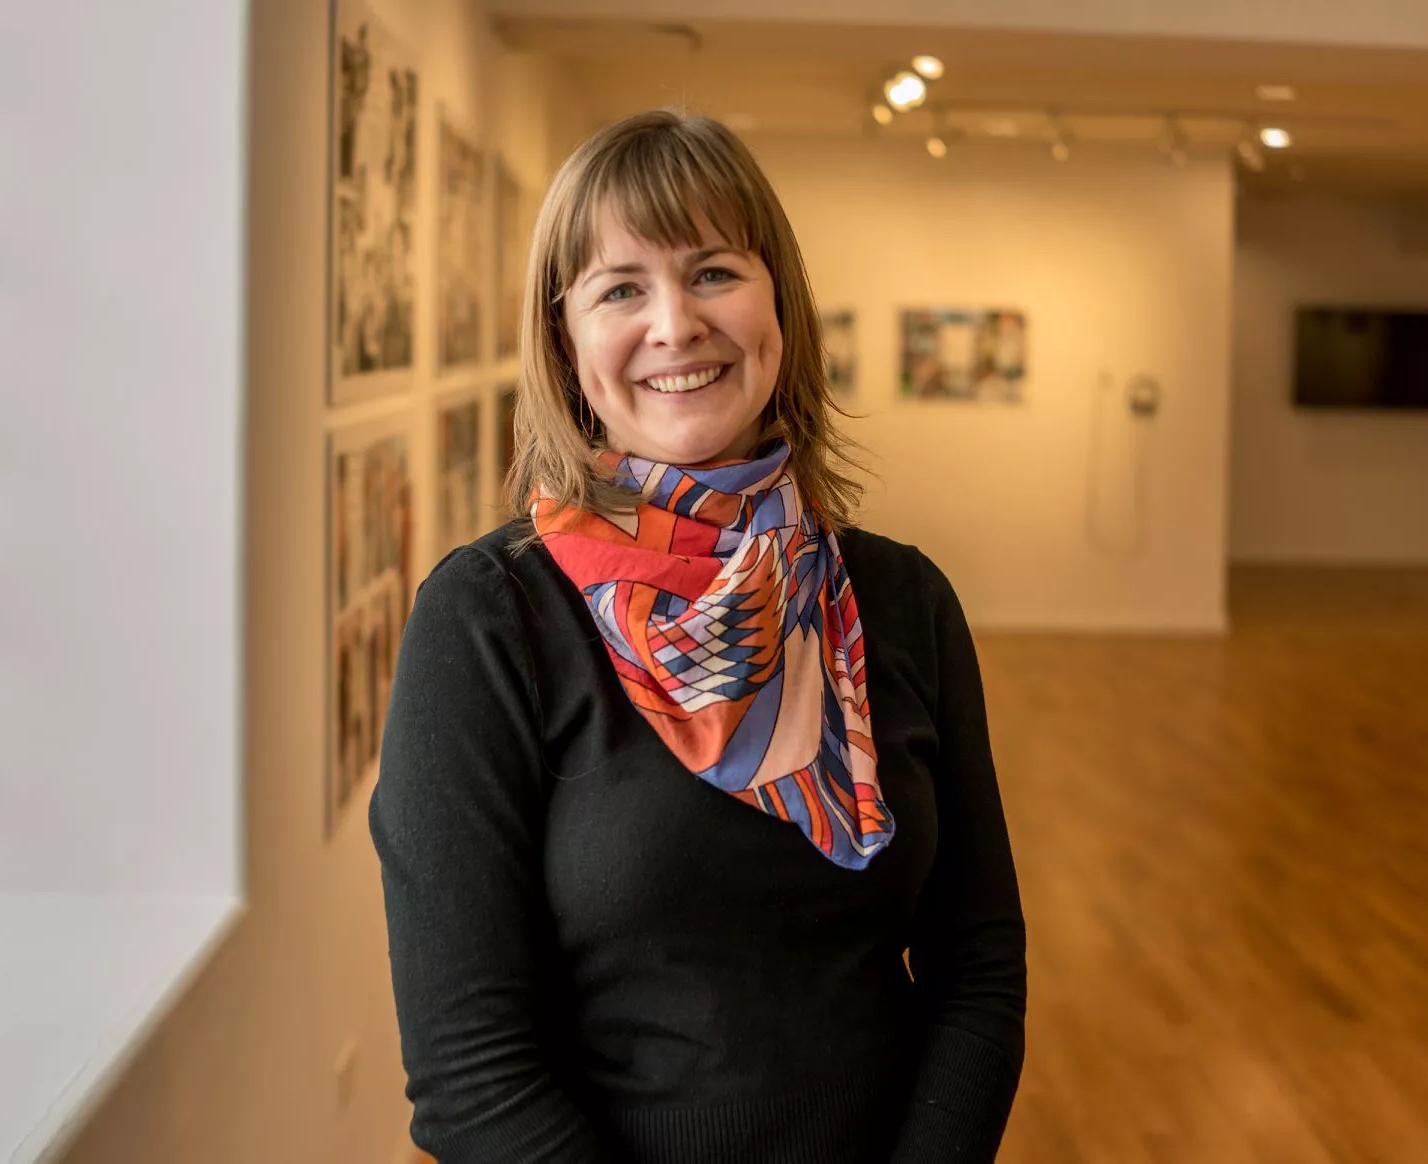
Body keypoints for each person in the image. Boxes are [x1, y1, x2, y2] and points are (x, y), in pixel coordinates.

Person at [370, 109, 1026, 1164]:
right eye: (619, 289)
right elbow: (468, 1071)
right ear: (564, 340)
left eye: (712, 271)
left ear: (779, 304)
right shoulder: (489, 620)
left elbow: (978, 965)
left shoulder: (903, 600)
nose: (674, 325)